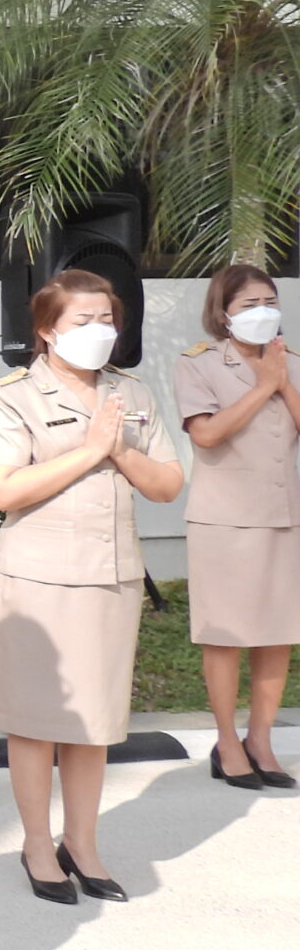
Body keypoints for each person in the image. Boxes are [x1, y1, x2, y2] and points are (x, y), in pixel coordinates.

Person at [0, 271, 185, 903]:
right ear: (47, 331)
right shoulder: (15, 395)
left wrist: (119, 450)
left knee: (95, 720)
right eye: (82, 321)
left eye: (107, 320)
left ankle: (83, 842)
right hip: (38, 578)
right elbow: (3, 490)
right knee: (34, 721)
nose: (100, 331)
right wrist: (91, 450)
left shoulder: (131, 392)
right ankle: (37, 844)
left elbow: (168, 484)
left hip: (109, 576)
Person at [173, 263, 300, 791]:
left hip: (283, 516)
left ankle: (261, 740)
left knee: (278, 634)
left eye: (270, 302)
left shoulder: (290, 362)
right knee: (225, 636)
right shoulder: (199, 363)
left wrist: (282, 381)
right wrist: (262, 387)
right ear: (223, 313)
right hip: (223, 521)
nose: (263, 312)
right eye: (250, 305)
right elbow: (206, 434)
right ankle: (227, 742)